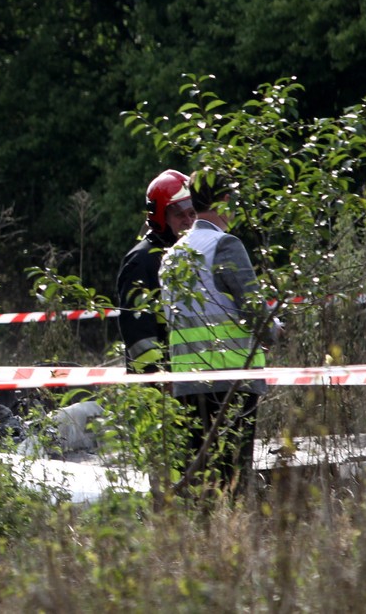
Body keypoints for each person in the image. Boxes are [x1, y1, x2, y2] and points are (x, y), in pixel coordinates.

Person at [159, 172, 275, 494]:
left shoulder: (172, 255)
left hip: (187, 383)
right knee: (233, 476)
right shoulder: (225, 245)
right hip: (231, 380)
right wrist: (275, 331)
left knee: (200, 476)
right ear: (225, 200)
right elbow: (256, 314)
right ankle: (234, 537)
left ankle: (203, 537)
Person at [116, 169, 196, 373]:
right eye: (179, 214)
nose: (188, 220)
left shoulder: (192, 254)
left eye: (192, 212)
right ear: (161, 217)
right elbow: (139, 335)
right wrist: (157, 379)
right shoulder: (142, 261)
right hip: (158, 391)